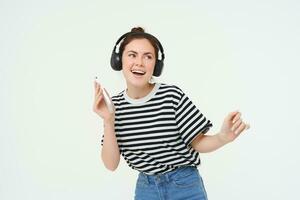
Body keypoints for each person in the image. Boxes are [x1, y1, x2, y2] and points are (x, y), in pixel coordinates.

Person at [93, 27, 250, 200]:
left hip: (184, 185)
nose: (139, 62)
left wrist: (222, 137)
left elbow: (197, 143)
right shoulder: (115, 107)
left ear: (156, 65)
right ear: (118, 60)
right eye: (132, 55)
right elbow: (111, 164)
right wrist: (108, 120)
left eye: (148, 56)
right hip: (146, 189)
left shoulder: (171, 96)